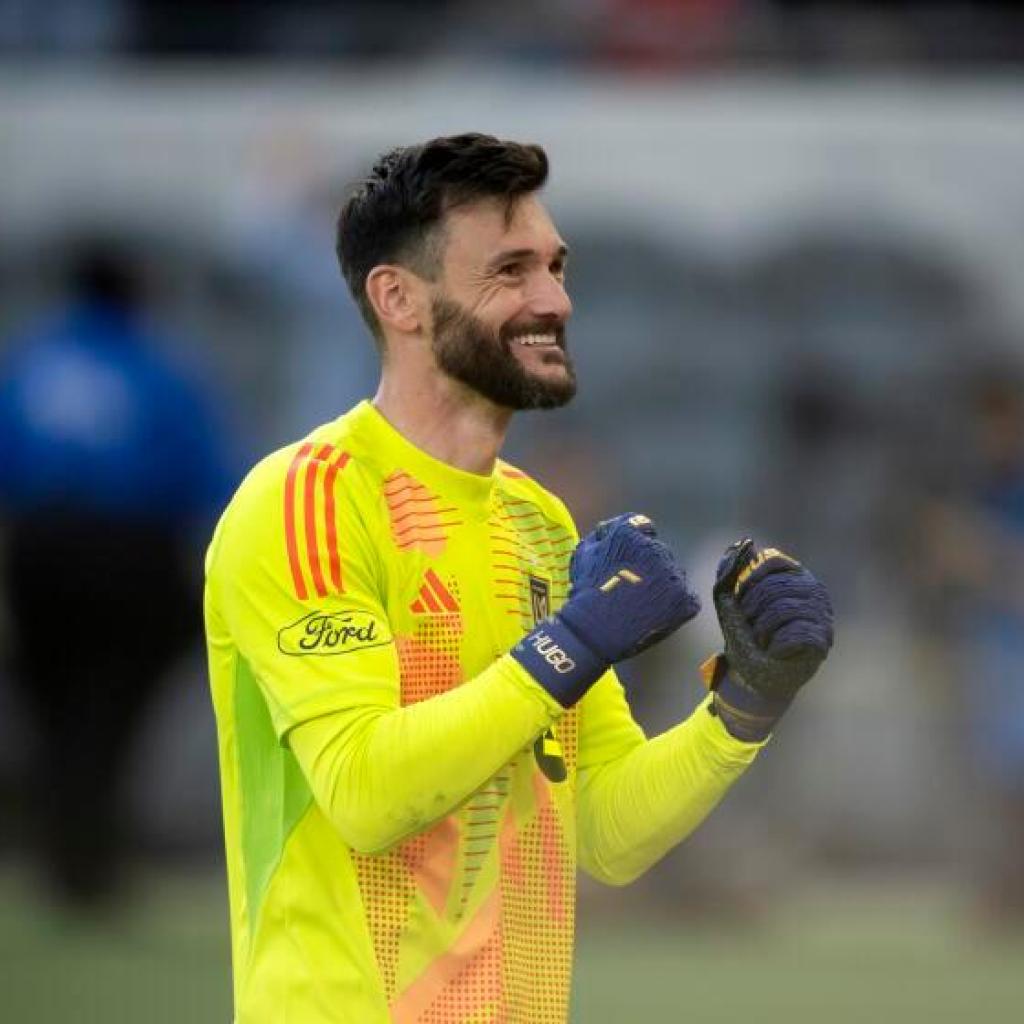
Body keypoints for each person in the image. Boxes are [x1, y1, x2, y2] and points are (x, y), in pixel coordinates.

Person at [204, 133, 834, 1023]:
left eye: (555, 266)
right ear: (400, 299)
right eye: (510, 271)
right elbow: (366, 795)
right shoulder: (308, 501)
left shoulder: (538, 522)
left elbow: (608, 829)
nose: (554, 299)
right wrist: (572, 643)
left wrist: (744, 708)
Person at [0, 238, 235, 907]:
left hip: (39, 550)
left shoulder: (30, 363)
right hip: (132, 551)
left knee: (51, 705)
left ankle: (64, 854)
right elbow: (212, 477)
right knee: (111, 708)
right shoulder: (162, 368)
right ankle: (92, 857)